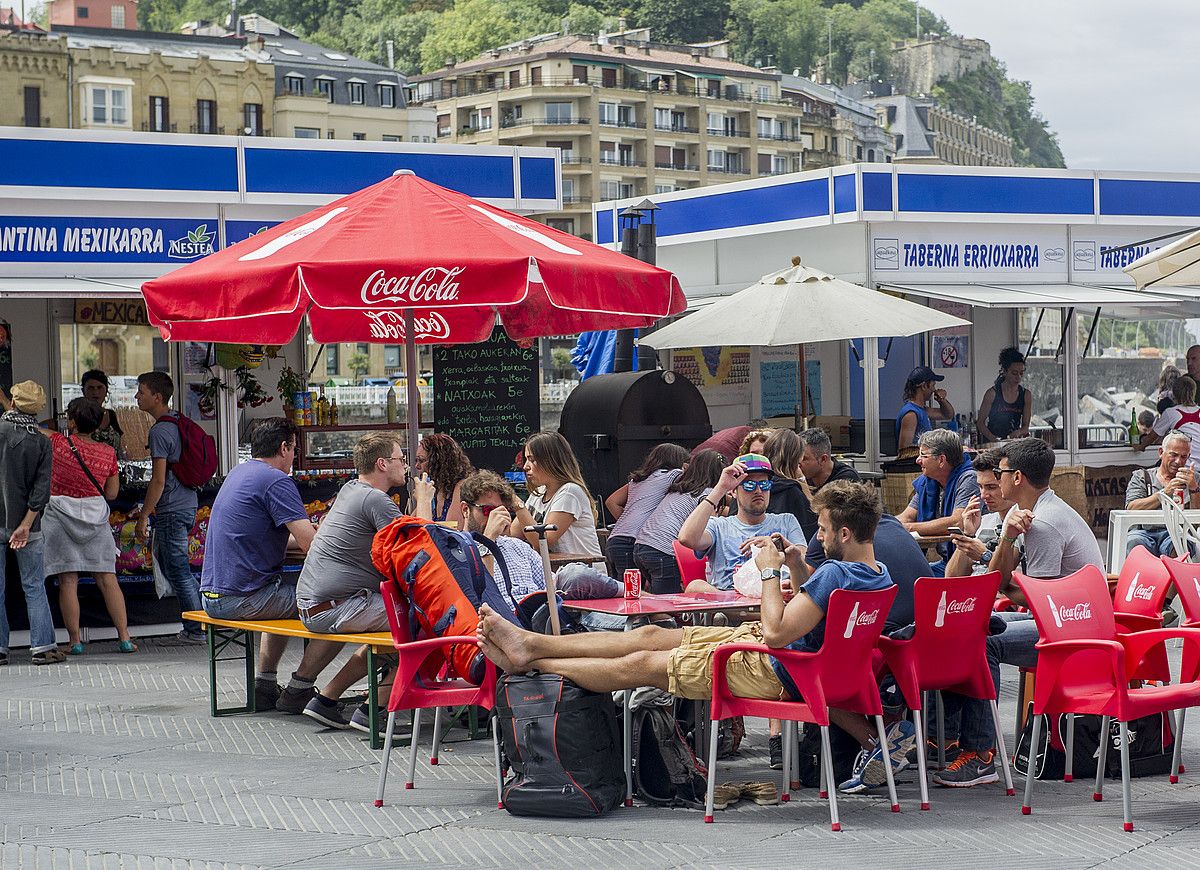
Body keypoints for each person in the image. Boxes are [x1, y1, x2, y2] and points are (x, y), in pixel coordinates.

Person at [476, 480, 915, 794]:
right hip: (794, 663)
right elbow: (822, 603)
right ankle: (532, 644)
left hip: (771, 663)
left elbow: (780, 632)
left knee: (643, 666)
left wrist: (769, 570)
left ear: (843, 533)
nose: (816, 536)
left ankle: (529, 659)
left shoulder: (838, 571)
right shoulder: (877, 577)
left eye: (821, 530)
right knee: (650, 633)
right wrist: (798, 563)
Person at [938, 438, 1104, 788]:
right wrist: (1007, 539)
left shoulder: (1044, 523)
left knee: (985, 643)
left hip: (1074, 631)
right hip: (1059, 617)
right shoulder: (1030, 515)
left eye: (999, 473)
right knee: (971, 626)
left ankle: (981, 754)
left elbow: (1034, 598)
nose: (994, 480)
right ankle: (945, 735)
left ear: (1018, 477)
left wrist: (1006, 576)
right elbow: (1001, 581)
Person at [201, 418, 343, 714]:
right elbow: (312, 546)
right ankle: (300, 688)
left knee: (285, 590)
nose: (294, 456)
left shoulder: (240, 473)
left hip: (213, 595)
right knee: (336, 607)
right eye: (294, 449)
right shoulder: (277, 480)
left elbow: (270, 535)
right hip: (243, 598)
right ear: (283, 447)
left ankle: (265, 685)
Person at [298, 432, 408, 732]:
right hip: (338, 607)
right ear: (383, 464)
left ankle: (327, 700)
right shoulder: (375, 499)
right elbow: (415, 552)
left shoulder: (351, 489)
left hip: (315, 606)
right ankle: (374, 709)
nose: (406, 465)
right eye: (401, 459)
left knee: (399, 631)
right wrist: (422, 500)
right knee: (423, 622)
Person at [41, 398, 136, 655]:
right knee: (107, 578)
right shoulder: (108, 452)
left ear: (71, 421)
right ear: (99, 423)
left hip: (60, 517)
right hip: (96, 518)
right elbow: (113, 493)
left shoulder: (58, 443)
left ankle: (75, 642)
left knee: (68, 580)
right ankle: (125, 638)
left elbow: (32, 428)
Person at [134, 371, 203, 643]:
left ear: (157, 397)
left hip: (172, 508)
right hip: (185, 503)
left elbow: (159, 480)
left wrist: (143, 517)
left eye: (141, 392)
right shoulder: (176, 422)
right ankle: (199, 620)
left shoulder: (161, 430)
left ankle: (197, 628)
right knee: (173, 563)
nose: (136, 397)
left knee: (178, 569)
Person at [0, 381, 62, 666]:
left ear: (12, 403)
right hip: (29, 526)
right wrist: (25, 524)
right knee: (34, 586)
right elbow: (41, 492)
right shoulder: (40, 441)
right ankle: (43, 647)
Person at [676, 454, 804, 592]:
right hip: (730, 603)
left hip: (776, 596)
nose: (758, 491)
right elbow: (686, 538)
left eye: (764, 484)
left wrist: (777, 545)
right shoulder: (719, 526)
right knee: (695, 586)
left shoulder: (786, 521)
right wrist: (720, 488)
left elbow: (805, 562)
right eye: (749, 485)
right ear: (734, 491)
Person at [633, 449, 725, 594]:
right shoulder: (708, 495)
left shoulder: (679, 490)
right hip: (664, 550)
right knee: (666, 605)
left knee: (655, 601)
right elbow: (711, 526)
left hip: (642, 546)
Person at [897, 429, 980, 575]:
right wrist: (887, 525)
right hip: (945, 562)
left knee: (920, 584)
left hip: (969, 565)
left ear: (941, 460)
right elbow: (907, 516)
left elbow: (957, 521)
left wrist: (909, 528)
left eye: (923, 455)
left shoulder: (968, 478)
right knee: (903, 575)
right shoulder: (929, 482)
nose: (918, 460)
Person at [510, 431, 602, 559]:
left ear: (551, 461)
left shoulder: (570, 492)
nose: (525, 467)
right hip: (555, 573)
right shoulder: (539, 493)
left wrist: (518, 505)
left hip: (583, 574)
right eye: (526, 460)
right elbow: (513, 534)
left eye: (532, 460)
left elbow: (543, 541)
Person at [605, 443, 690, 575]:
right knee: (635, 591)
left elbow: (612, 501)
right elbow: (694, 482)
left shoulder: (638, 480)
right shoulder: (673, 475)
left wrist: (627, 523)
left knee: (626, 591)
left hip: (615, 539)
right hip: (631, 541)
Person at [766, 428, 862, 543]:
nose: (800, 464)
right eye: (798, 458)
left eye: (804, 458)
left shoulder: (845, 481)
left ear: (823, 459)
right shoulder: (792, 488)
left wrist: (802, 484)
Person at [944, 449, 1019, 578]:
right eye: (980, 487)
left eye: (992, 487)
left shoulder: (1022, 522)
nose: (984, 495)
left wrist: (985, 555)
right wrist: (968, 534)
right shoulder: (983, 521)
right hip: (972, 594)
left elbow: (1018, 583)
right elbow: (951, 578)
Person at [1123, 431, 1198, 556]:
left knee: (1180, 544)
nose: (1178, 461)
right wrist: (1163, 493)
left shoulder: (1193, 480)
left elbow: (1196, 521)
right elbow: (1131, 507)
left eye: (1184, 457)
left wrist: (1194, 489)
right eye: (1173, 455)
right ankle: (1142, 575)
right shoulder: (1142, 476)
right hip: (1143, 532)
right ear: (1161, 453)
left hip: (1177, 532)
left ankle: (1175, 575)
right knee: (1134, 542)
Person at [411, 433, 473, 528]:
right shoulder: (434, 490)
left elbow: (451, 530)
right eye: (416, 460)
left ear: (439, 462)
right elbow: (409, 524)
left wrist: (423, 500)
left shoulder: (461, 487)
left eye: (421, 460)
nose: (417, 466)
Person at [976, 347, 1032, 442]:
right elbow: (980, 423)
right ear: (1005, 371)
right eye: (1014, 373)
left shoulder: (1026, 395)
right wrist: (992, 438)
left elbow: (1025, 426)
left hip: (1013, 443)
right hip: (992, 443)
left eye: (1021, 373)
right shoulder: (992, 393)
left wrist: (1018, 432)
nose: (1018, 377)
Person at [1143, 375, 1200, 468]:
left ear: (1175, 394)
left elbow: (1150, 438)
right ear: (1194, 392)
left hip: (1182, 467)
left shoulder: (1171, 413)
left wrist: (1139, 446)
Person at [896, 365, 955, 451]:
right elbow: (904, 450)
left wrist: (942, 400)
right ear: (924, 386)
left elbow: (948, 415)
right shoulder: (911, 414)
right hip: (915, 463)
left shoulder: (922, 410)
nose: (934, 390)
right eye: (932, 385)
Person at [81, 369, 125, 457]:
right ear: (83, 391)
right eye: (91, 388)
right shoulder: (78, 415)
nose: (95, 392)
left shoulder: (111, 415)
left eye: (99, 387)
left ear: (106, 390)